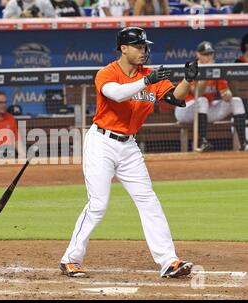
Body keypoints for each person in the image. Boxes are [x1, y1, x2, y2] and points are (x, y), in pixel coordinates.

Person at [60, 27, 197, 279]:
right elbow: (117, 94)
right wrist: (148, 81)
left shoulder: (149, 75)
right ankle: (71, 258)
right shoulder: (107, 73)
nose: (144, 51)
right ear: (124, 48)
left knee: (148, 200)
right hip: (101, 143)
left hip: (129, 147)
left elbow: (175, 98)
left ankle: (169, 261)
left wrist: (188, 80)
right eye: (138, 46)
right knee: (99, 204)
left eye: (145, 47)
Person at [174, 41, 248, 152]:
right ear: (198, 55)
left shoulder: (215, 68)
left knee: (236, 101)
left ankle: (244, 144)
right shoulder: (191, 68)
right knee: (202, 100)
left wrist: (227, 95)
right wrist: (207, 72)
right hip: (184, 110)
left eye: (210, 54)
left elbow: (225, 92)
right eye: (205, 54)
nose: (208, 57)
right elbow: (197, 93)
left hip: (204, 111)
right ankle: (202, 142)